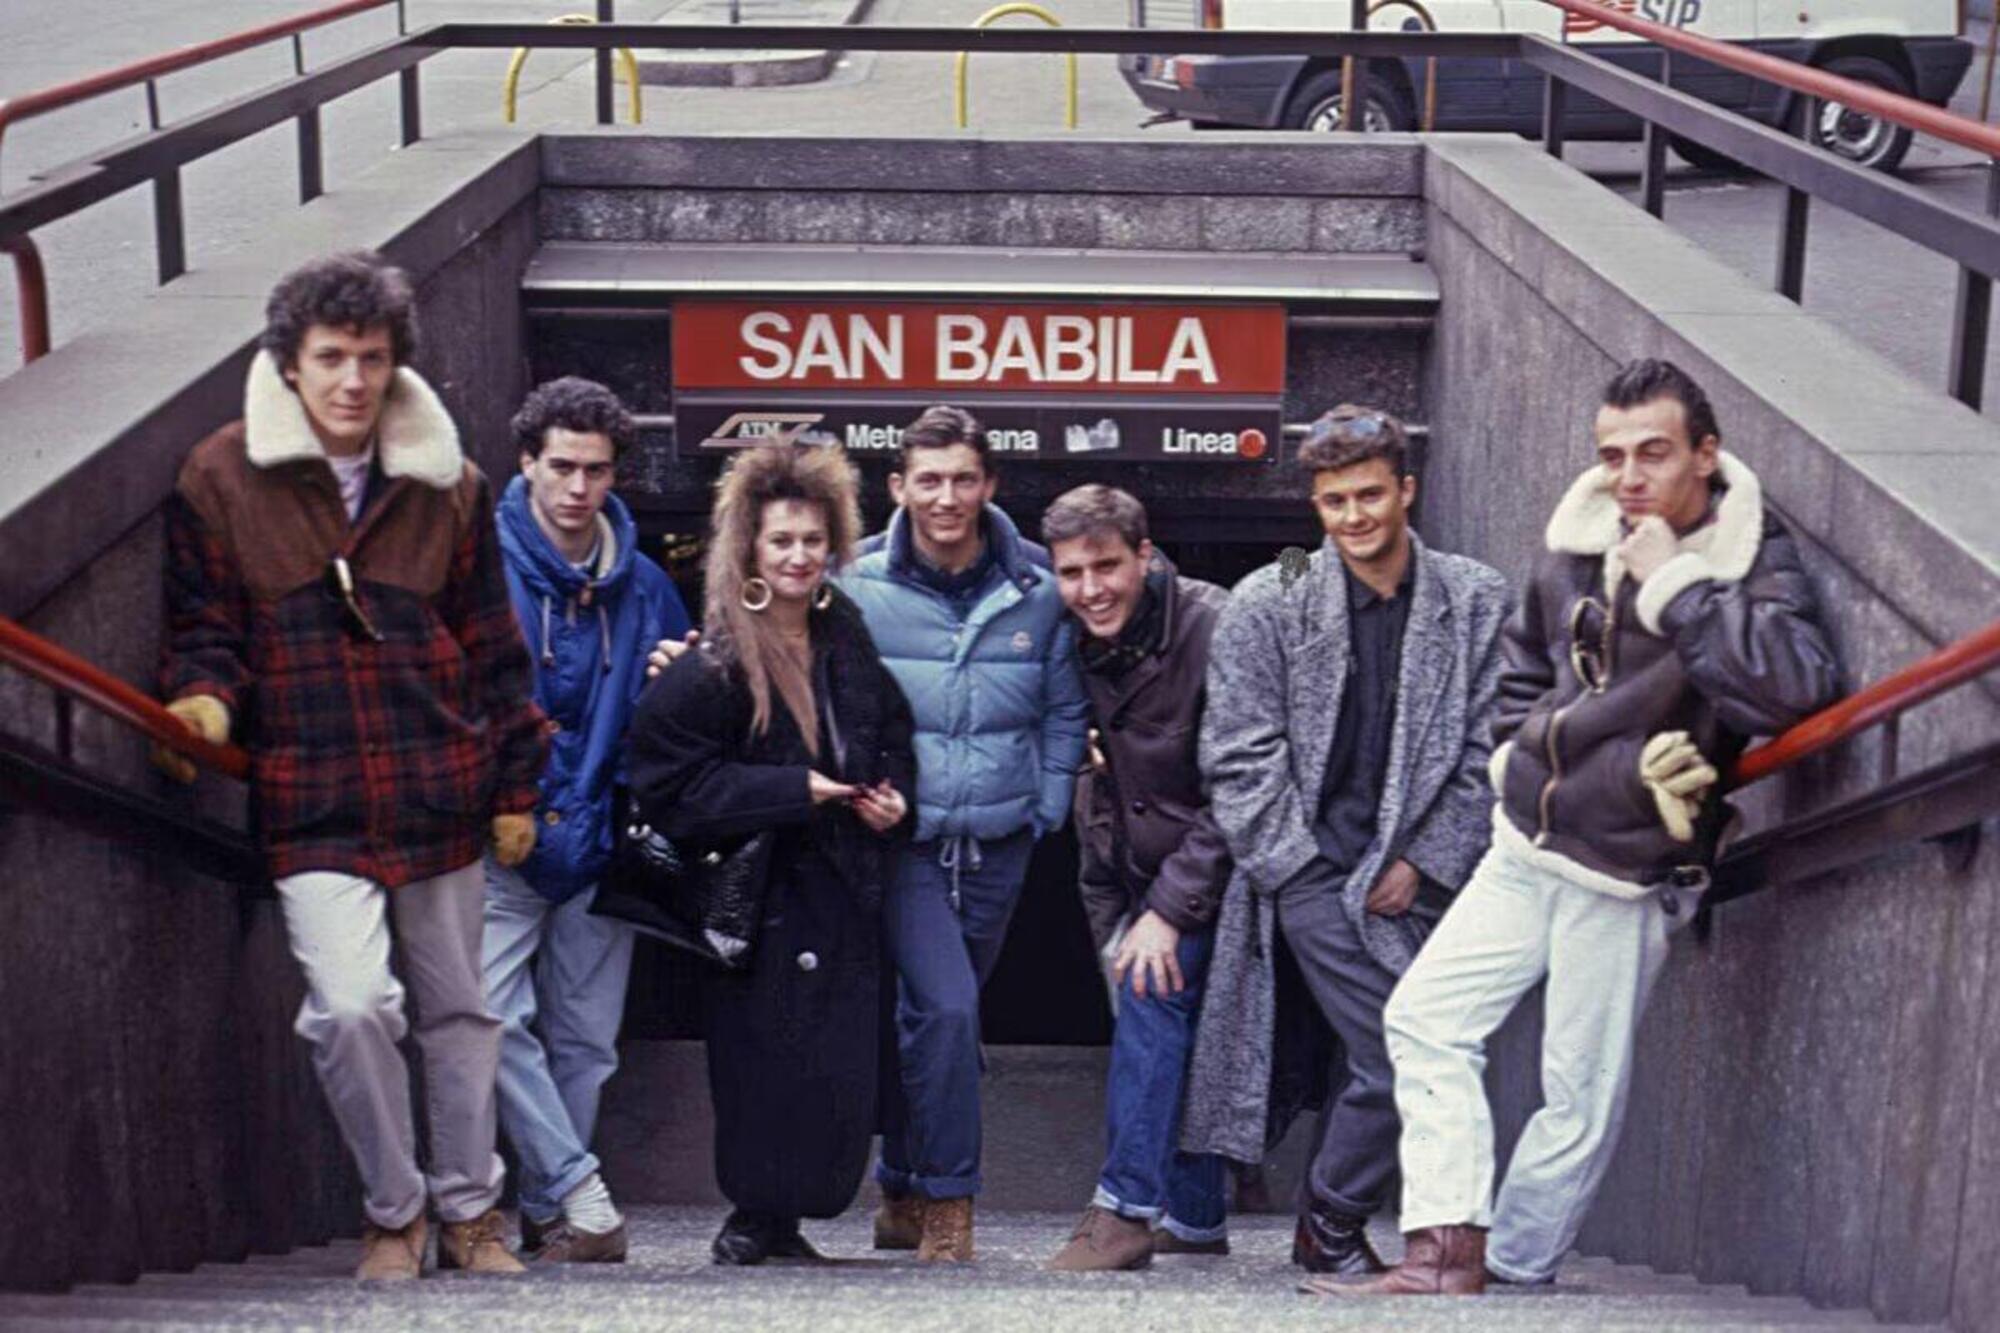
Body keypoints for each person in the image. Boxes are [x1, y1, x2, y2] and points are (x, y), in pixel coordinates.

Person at [1329, 360, 1841, 1298]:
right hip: (1526, 840)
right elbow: (1527, 661)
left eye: (1654, 452)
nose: (1631, 475)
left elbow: (1796, 685)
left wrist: (1681, 588)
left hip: (1626, 862)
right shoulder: (1580, 531)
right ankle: (1443, 1249)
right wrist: (1509, 755)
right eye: (1613, 455)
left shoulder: (1744, 555)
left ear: (1706, 452)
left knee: (1579, 1086)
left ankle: (1516, 1263)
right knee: (1424, 1018)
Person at [156, 252, 548, 1281]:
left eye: (370, 358)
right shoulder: (219, 477)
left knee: (464, 1012)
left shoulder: (447, 480)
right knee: (348, 1005)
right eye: (330, 357)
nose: (351, 380)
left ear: (393, 364)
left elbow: (496, 649)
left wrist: (515, 787)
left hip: (439, 788)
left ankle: (472, 1213)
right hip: (312, 796)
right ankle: (394, 1212)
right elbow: (203, 630)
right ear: (289, 363)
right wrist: (201, 702)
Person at [1180, 405, 1511, 1283]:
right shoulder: (1273, 597)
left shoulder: (1475, 597)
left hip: (1416, 875)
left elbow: (1490, 749)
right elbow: (1237, 752)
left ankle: (1330, 1220)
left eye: (1370, 494)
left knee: (1407, 1043)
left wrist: (1425, 860)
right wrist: (1294, 871)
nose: (1354, 516)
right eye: (1333, 501)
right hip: (1308, 868)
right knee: (1402, 1040)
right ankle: (1327, 1222)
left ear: (1407, 490)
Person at [627, 443, 915, 1266]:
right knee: (763, 1065)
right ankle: (753, 1217)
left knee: (834, 1071)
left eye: (813, 541)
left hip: (843, 889)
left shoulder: (844, 629)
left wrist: (893, 795)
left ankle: (783, 1221)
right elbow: (668, 785)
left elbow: (888, 730)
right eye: (782, 540)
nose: (798, 556)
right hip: (758, 901)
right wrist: (798, 789)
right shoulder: (717, 657)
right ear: (751, 545)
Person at [840, 405, 1089, 1262]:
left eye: (963, 479)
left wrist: (1048, 804)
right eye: (929, 480)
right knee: (947, 1007)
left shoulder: (1038, 588)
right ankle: (950, 1200)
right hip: (901, 840)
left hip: (1000, 840)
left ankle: (901, 1182)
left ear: (990, 485)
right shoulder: (856, 581)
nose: (947, 497)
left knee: (936, 1017)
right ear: (898, 486)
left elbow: (1063, 706)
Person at [482, 377, 690, 1263]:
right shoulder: (476, 565)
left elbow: (686, 719)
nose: (577, 486)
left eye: (595, 469)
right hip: (497, 835)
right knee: (487, 1018)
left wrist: (675, 679)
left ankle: (546, 1205)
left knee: (587, 1041)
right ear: (527, 462)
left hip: (602, 839)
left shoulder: (644, 584)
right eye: (560, 466)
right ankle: (579, 1188)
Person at [1037, 485, 1234, 1273]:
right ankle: (1194, 1211)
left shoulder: (1214, 624)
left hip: (1213, 867)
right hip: (1118, 867)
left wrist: (1170, 908)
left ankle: (1123, 1212)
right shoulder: (1064, 628)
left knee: (1155, 992)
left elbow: (1241, 789)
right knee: (1152, 1019)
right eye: (1072, 571)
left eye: (1108, 565)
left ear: (1144, 555)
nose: (1091, 588)